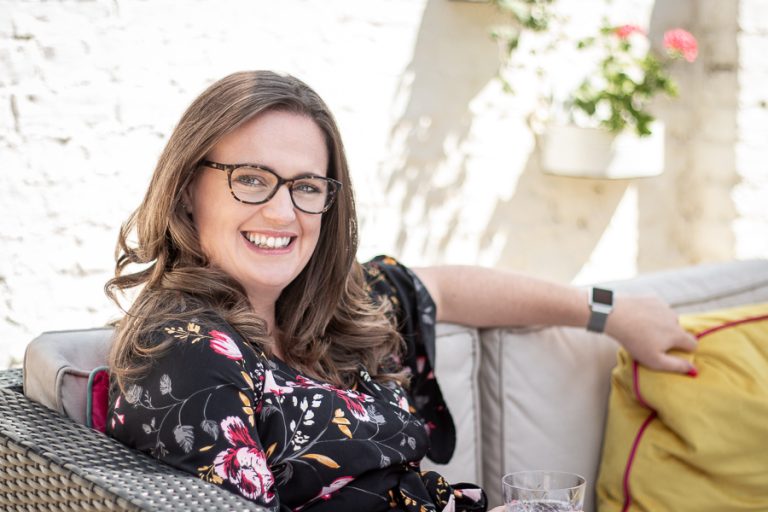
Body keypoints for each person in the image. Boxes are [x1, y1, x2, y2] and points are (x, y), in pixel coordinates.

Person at [105, 70, 697, 512]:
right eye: (252, 179)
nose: (284, 212)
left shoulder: (330, 308)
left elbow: (442, 287)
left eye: (307, 186)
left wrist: (609, 313)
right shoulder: (187, 353)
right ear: (187, 190)